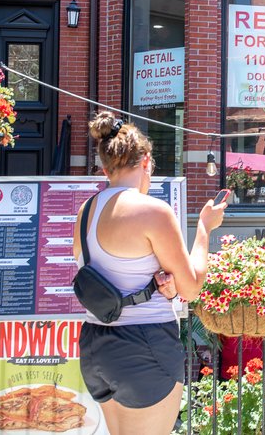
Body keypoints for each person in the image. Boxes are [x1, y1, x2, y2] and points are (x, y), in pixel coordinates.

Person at [73, 111, 226, 435]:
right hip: (145, 347)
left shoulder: (85, 211)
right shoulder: (153, 211)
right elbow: (192, 288)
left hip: (94, 345)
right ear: (145, 162)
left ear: (106, 168)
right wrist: (204, 228)